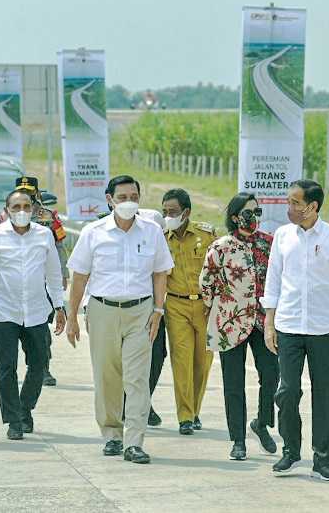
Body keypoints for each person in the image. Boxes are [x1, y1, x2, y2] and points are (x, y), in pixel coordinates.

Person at [262, 179, 329, 481]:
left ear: (312, 207)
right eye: (289, 202)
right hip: (288, 326)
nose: (290, 208)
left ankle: (323, 458)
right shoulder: (283, 236)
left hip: (324, 329)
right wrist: (269, 322)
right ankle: (290, 450)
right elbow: (273, 280)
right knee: (287, 391)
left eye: (295, 203)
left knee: (325, 394)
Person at [66, 174, 173, 464]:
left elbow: (161, 272)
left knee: (137, 379)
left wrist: (158, 311)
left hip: (141, 311)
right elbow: (79, 277)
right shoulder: (93, 232)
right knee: (107, 376)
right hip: (102, 310)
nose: (129, 203)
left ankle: (134, 442)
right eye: (123, 198)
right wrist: (72, 316)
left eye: (134, 197)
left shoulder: (151, 231)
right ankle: (111, 434)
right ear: (110, 200)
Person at [0, 190, 67, 440]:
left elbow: (54, 274)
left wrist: (59, 306)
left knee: (39, 364)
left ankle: (25, 408)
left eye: (26, 206)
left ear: (34, 209)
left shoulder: (44, 235)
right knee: (6, 368)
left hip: (36, 311)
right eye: (16, 207)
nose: (21, 211)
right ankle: (14, 420)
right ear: (6, 210)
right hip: (5, 311)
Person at [199, 192, 278, 461]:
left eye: (257, 212)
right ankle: (238, 440)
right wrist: (215, 307)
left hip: (262, 322)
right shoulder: (221, 247)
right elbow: (206, 281)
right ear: (235, 217)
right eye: (248, 212)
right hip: (230, 321)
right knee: (233, 383)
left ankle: (262, 422)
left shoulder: (270, 243)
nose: (254, 217)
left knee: (271, 375)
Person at [0, 176, 70, 387]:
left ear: (37, 194)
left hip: (42, 279)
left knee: (40, 326)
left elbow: (59, 247)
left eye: (30, 192)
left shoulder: (48, 217)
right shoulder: (4, 216)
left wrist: (63, 273)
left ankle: (42, 367)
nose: (26, 196)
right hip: (13, 280)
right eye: (22, 191)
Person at [162, 188, 216, 435]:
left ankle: (195, 410)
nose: (168, 216)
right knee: (181, 361)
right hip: (176, 305)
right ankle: (185, 416)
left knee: (203, 361)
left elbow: (218, 269)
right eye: (165, 211)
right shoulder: (162, 238)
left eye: (172, 212)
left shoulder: (206, 235)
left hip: (205, 305)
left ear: (186, 212)